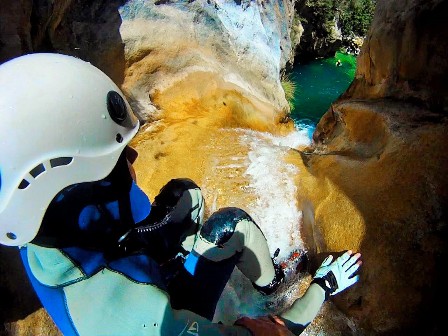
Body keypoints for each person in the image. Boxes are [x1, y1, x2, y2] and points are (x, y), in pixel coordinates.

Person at [0, 53, 362, 335]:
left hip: (123, 262)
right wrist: (320, 289)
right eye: (116, 158)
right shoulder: (138, 323)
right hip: (153, 302)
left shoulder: (46, 223)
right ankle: (271, 284)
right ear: (80, 191)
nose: (133, 155)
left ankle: (181, 265)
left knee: (184, 196)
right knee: (233, 226)